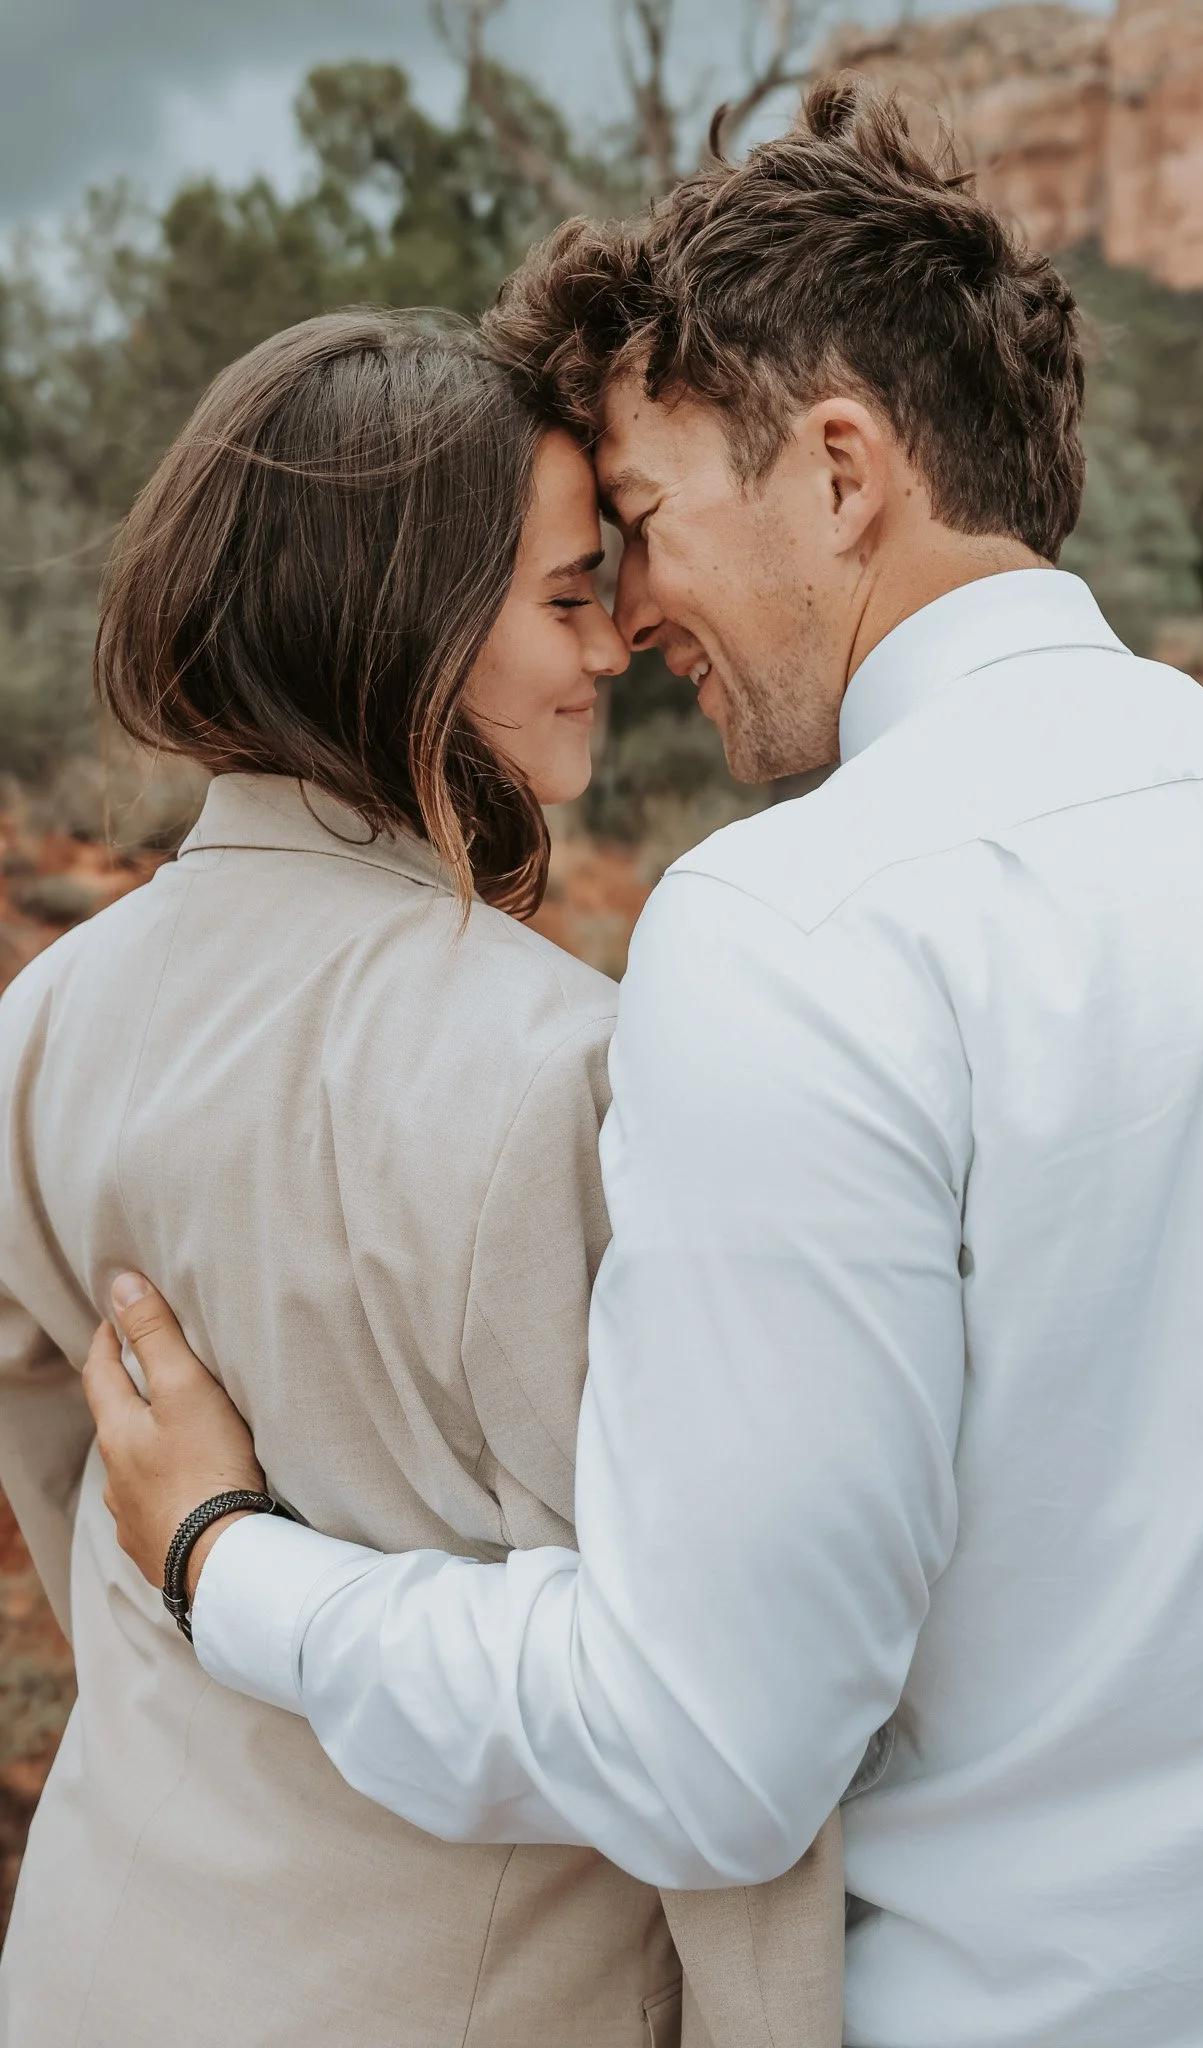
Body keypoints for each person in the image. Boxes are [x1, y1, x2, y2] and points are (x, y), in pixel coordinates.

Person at [88, 77, 1203, 2048]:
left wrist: (225, 1564)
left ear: (839, 469)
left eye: (646, 520)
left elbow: (701, 1750)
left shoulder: (802, 928)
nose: (630, 610)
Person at [0, 307, 843, 2048]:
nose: (612, 644)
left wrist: (196, 1618)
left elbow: (62, 1451)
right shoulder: (561, 1072)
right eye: (564, 597)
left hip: (90, 1948)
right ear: (402, 623)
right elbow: (675, 1693)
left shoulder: (49, 1015)